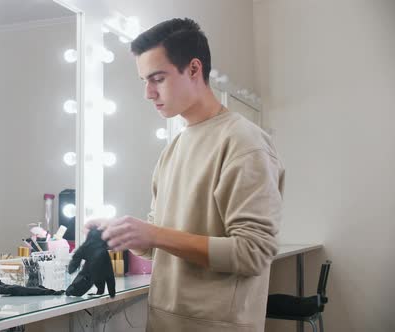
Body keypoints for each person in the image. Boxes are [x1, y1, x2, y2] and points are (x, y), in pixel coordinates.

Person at [87, 18, 285, 331]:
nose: (148, 93)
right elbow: (160, 242)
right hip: (164, 321)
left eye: (157, 78)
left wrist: (154, 234)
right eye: (144, 81)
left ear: (194, 69)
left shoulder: (244, 142)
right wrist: (126, 232)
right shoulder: (174, 148)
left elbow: (252, 254)